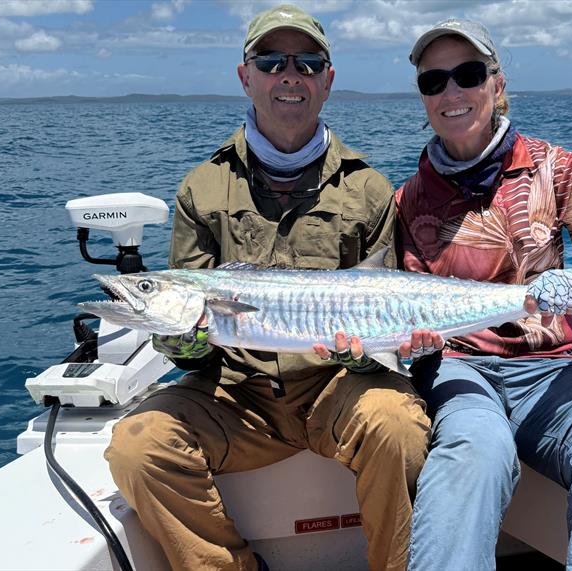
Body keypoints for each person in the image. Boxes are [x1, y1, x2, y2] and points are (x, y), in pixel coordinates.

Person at [104, 5, 431, 571]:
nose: (290, 75)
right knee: (138, 447)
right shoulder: (202, 188)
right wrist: (183, 339)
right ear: (245, 75)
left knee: (399, 427)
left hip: (336, 387)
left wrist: (366, 354)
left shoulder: (370, 188)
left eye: (307, 63)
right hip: (236, 394)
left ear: (327, 80)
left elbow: (381, 302)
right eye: (271, 61)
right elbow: (189, 343)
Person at [395, 19, 572, 571]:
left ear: (497, 83)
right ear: (424, 98)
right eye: (434, 82)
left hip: (554, 368)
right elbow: (401, 313)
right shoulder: (406, 200)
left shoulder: (556, 168)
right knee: (476, 452)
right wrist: (411, 342)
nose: (451, 92)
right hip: (458, 367)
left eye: (468, 75)